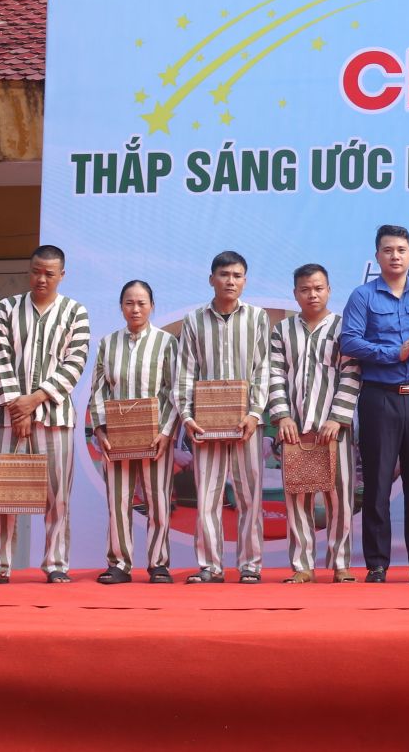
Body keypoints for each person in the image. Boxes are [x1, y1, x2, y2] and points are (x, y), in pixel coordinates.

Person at [0, 245, 91, 584]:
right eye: (36, 271)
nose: (41, 279)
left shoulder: (75, 312)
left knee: (58, 495)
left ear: (62, 275)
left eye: (49, 274)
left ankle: (56, 565)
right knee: (1, 494)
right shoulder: (6, 308)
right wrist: (18, 408)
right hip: (10, 417)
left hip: (56, 418)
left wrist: (34, 400)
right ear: (30, 270)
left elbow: (75, 363)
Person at [340, 225, 409, 583]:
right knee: (378, 482)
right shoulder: (363, 296)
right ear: (377, 256)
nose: (395, 256)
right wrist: (393, 353)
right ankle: (377, 563)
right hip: (378, 398)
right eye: (388, 250)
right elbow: (350, 342)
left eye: (401, 250)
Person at [176, 250, 271, 584]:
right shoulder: (193, 320)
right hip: (206, 423)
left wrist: (255, 413)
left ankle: (250, 566)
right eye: (224, 275)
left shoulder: (258, 318)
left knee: (249, 497)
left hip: (247, 423)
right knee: (207, 497)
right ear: (211, 279)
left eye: (237, 275)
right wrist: (187, 416)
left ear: (245, 280)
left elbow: (263, 370)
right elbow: (185, 372)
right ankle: (210, 566)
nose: (231, 281)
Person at [267, 264, 361, 584]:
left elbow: (351, 374)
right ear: (295, 293)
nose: (312, 295)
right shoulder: (282, 330)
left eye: (319, 288)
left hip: (334, 429)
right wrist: (282, 416)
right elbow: (274, 376)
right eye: (305, 289)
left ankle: (341, 564)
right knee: (298, 498)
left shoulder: (344, 328)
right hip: (294, 428)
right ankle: (302, 565)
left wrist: (337, 417)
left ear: (329, 290)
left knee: (340, 497)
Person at [88, 280, 178, 584]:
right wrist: (100, 429)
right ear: (121, 306)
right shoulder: (108, 343)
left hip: (155, 434)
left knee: (158, 500)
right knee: (119, 500)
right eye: (129, 302)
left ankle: (158, 564)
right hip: (117, 436)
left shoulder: (166, 342)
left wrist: (166, 431)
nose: (135, 309)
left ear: (152, 306)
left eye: (141, 303)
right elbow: (98, 389)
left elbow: (174, 390)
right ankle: (119, 564)